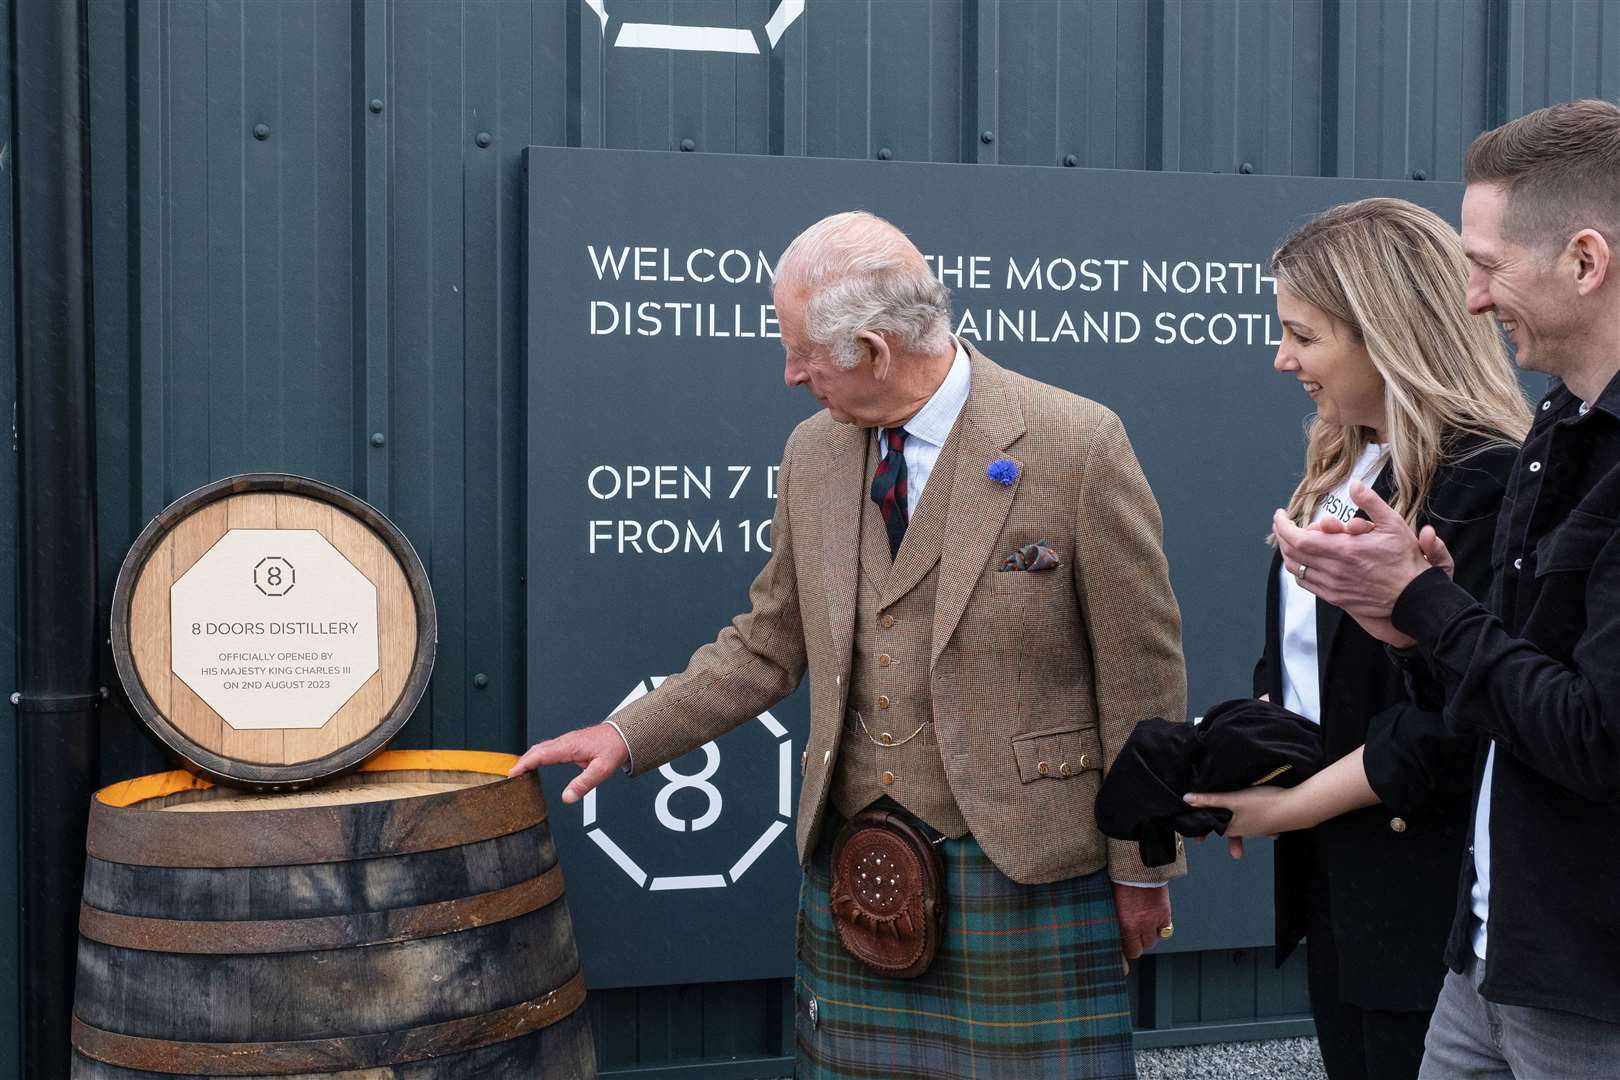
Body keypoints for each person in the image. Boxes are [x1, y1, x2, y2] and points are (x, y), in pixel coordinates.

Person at [511, 210, 1187, 1078]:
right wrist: (630, 732)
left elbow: (1143, 677)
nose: (791, 375)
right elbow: (767, 643)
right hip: (858, 864)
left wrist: (1144, 867)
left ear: (874, 348)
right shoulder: (815, 456)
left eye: (803, 353)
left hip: (1029, 867)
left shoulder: (1074, 443)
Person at [1261, 99, 1620, 1077]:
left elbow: (1590, 735)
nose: (1470, 298)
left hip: (1573, 978)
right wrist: (1410, 628)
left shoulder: (1497, 465)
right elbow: (1492, 684)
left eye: (1488, 266)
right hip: (1484, 951)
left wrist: (1424, 608)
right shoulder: (1557, 438)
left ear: (1586, 261)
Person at [1183, 198, 1530, 1080]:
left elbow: (1459, 723)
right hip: (1340, 893)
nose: (1281, 358)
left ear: (1384, 333)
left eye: (1303, 335)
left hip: (1425, 904)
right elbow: (1303, 671)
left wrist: (1293, 807)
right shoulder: (1347, 466)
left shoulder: (1483, 479)